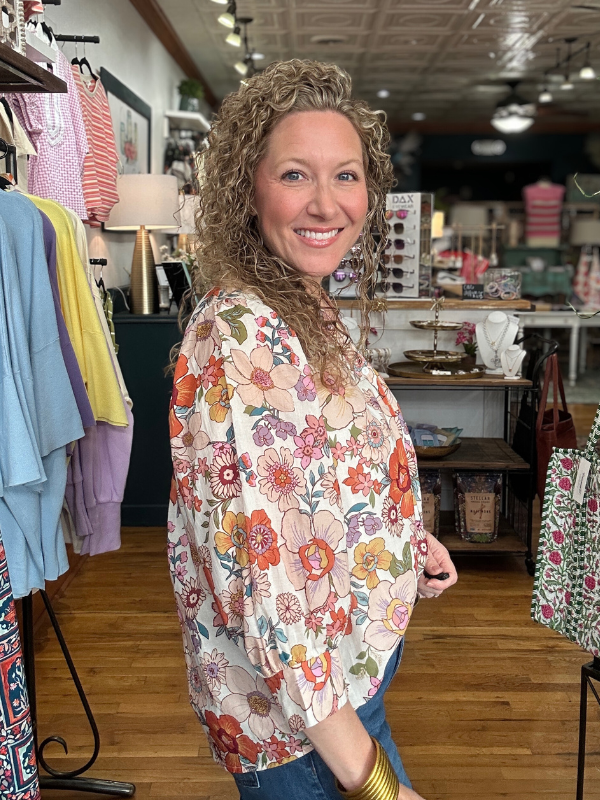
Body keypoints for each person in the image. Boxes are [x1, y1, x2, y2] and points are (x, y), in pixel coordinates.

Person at [167, 59, 458, 800]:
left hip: (344, 680)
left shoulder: (303, 302)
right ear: (248, 188)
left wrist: (398, 540)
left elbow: (322, 474)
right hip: (300, 725)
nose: (327, 204)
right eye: (295, 174)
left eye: (347, 176)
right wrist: (378, 787)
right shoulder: (238, 335)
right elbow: (265, 586)